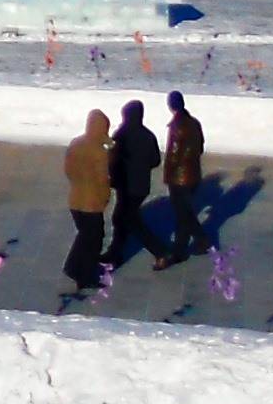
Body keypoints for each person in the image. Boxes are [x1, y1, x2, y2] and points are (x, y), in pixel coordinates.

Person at [63, 108, 113, 299]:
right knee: (94, 237)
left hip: (75, 199)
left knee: (84, 234)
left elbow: (67, 169)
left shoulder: (76, 143)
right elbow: (103, 180)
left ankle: (76, 267)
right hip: (91, 203)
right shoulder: (99, 152)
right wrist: (105, 197)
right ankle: (81, 271)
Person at [112, 98, 161, 271]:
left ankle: (161, 252)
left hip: (125, 184)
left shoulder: (121, 135)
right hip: (140, 187)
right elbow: (156, 160)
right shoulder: (148, 135)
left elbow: (112, 159)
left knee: (128, 220)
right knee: (121, 217)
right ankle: (114, 253)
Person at [161, 90, 208, 265]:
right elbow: (200, 147)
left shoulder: (176, 127)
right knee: (186, 212)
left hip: (179, 179)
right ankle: (201, 240)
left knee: (182, 214)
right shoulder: (194, 123)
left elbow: (173, 155)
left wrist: (168, 173)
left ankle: (180, 251)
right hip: (194, 175)